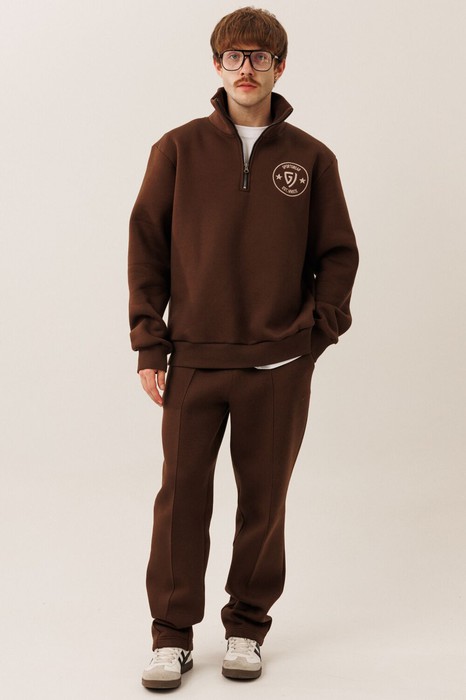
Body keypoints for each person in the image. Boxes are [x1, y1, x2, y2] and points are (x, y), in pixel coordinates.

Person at [128, 6, 359, 690]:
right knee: (181, 501)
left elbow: (337, 254)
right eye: (235, 57)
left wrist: (315, 334)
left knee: (265, 501)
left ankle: (247, 628)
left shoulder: (311, 158)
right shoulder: (176, 150)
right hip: (194, 360)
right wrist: (149, 343)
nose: (247, 69)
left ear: (280, 67)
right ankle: (171, 637)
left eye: (260, 57)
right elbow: (147, 246)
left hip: (279, 365)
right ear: (217, 65)